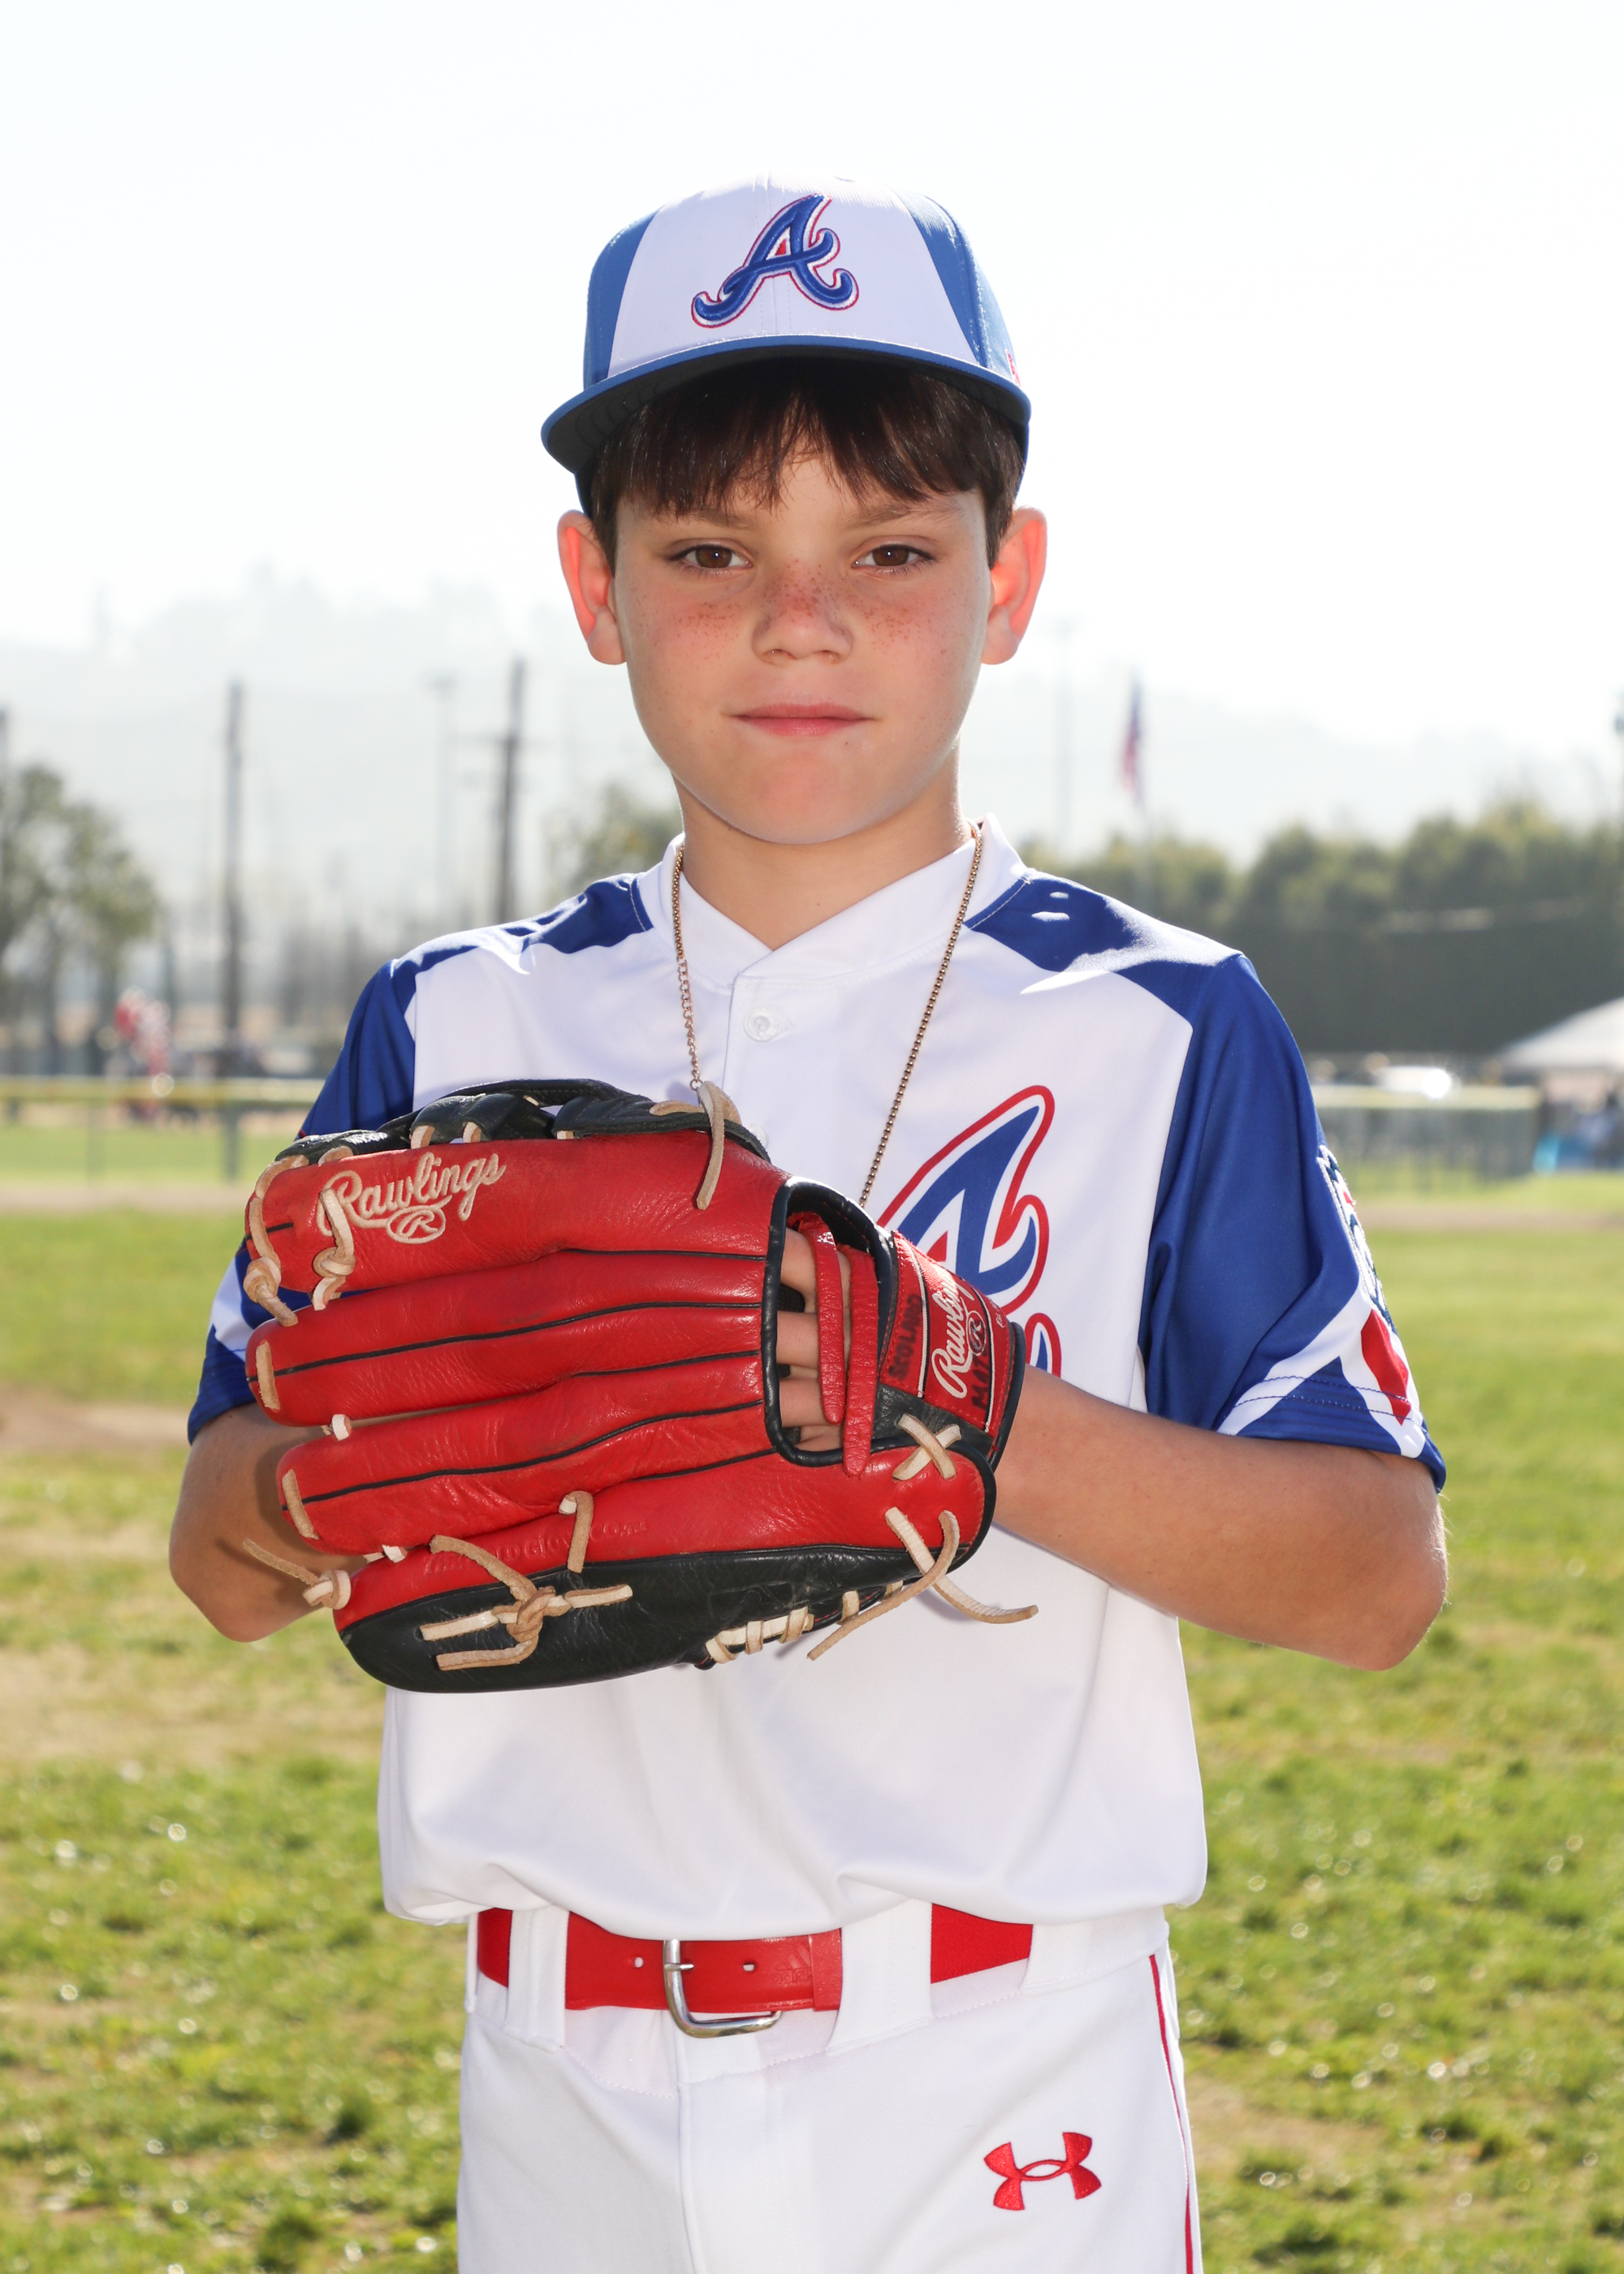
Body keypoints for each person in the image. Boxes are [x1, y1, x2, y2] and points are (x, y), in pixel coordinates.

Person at [171, 173, 1446, 2273]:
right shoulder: (456, 1020)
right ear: (593, 584)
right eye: (708, 552)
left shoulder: (1156, 1022)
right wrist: (317, 1491)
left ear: (1007, 582)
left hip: (997, 2062)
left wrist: (965, 1402)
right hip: (560, 2073)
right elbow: (222, 1552)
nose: (800, 619)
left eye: (890, 551)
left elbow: (1377, 1579)